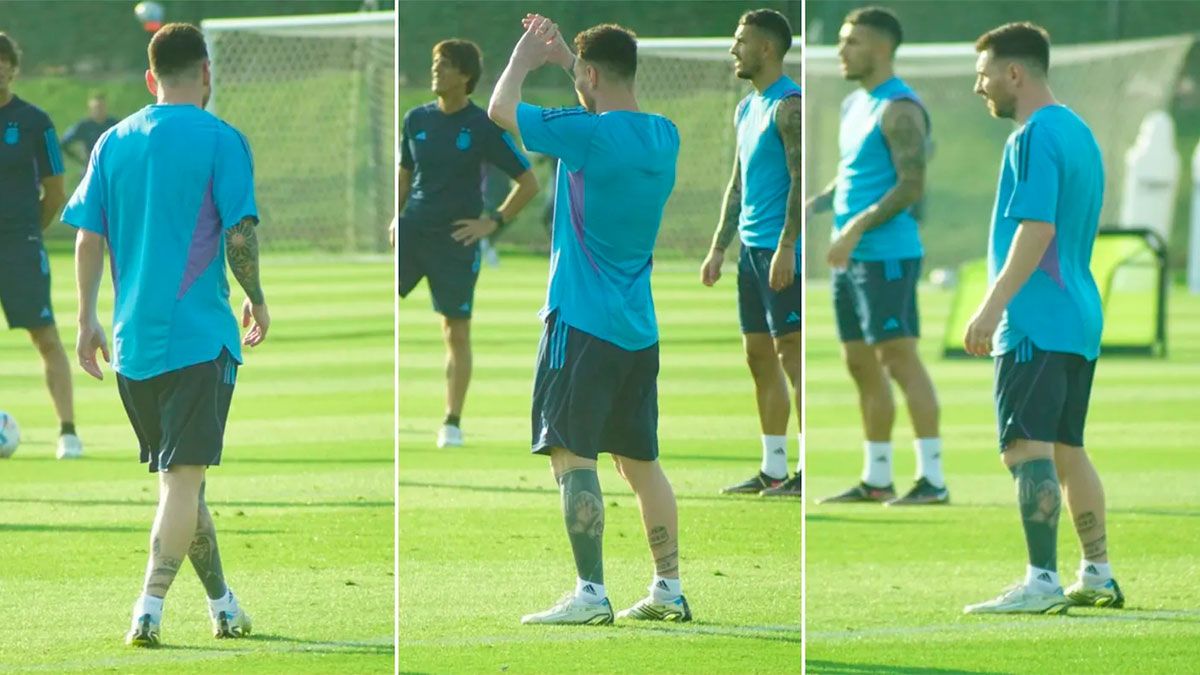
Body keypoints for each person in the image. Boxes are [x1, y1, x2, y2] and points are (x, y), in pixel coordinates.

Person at [64, 22, 266, 646]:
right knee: (182, 482)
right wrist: (256, 296)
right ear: (206, 74)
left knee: (182, 482)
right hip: (200, 338)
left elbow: (86, 236)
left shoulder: (112, 142)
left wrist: (85, 318)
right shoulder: (222, 139)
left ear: (151, 79)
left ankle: (224, 604)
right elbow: (239, 234)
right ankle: (148, 607)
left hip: (132, 345)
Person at [489, 14, 690, 625]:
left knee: (572, 454)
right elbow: (600, 111)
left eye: (581, 73)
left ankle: (591, 591)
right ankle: (668, 588)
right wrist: (569, 66)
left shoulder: (586, 134)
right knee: (640, 462)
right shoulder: (666, 134)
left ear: (593, 73)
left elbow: (501, 109)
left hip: (580, 321)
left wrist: (527, 57)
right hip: (638, 328)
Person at [963, 22, 1122, 614]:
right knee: (1066, 449)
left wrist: (991, 306)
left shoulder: (1030, 137)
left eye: (983, 76)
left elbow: (1037, 229)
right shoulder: (1079, 131)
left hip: (1036, 320)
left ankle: (1042, 580)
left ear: (1014, 73)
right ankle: (1097, 573)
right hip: (1080, 316)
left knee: (1025, 450)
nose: (980, 89)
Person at [807, 7, 948, 506]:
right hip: (853, 257)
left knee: (899, 360)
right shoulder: (855, 104)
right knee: (860, 364)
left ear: (882, 49)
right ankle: (876, 479)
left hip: (887, 254)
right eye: (842, 41)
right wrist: (817, 204)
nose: (842, 51)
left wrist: (854, 229)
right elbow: (854, 174)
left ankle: (933, 479)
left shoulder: (900, 109)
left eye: (852, 42)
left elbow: (911, 185)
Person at [394, 38, 539, 449]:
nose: (435, 70)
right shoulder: (415, 119)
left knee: (455, 331)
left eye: (444, 65)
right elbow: (404, 174)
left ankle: (451, 422)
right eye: (435, 63)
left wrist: (492, 223)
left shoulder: (481, 126)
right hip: (413, 232)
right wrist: (395, 216)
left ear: (465, 76)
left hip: (456, 242)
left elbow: (528, 182)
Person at [701, 8, 802, 498]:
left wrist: (787, 246)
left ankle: (806, 470)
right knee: (758, 355)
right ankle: (773, 468)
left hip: (781, 252)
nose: (732, 49)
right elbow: (738, 184)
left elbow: (800, 183)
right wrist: (719, 247)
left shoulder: (790, 107)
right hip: (750, 252)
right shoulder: (747, 107)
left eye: (740, 41)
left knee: (792, 356)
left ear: (766, 48)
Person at [0, 32, 81, 460]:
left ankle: (68, 432)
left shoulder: (35, 121)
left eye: (2, 60)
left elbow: (55, 191)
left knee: (45, 336)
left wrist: (31, 231)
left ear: (13, 67)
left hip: (19, 245)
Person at [60, 91, 118, 164]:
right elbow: (63, 143)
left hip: (111, 165)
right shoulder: (84, 126)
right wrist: (79, 159)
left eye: (101, 107)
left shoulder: (115, 125)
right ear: (90, 110)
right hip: (91, 166)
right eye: (96, 108)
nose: (99, 111)